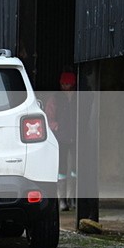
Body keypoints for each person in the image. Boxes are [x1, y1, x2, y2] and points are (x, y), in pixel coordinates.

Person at [45, 70, 77, 211]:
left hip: (75, 136)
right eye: (63, 83)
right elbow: (49, 116)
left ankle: (73, 198)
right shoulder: (55, 98)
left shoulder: (78, 97)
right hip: (61, 137)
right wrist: (57, 127)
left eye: (68, 83)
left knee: (76, 169)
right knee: (61, 168)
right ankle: (62, 199)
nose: (65, 86)